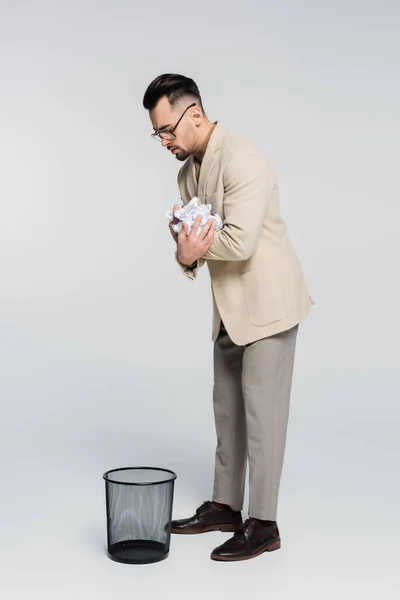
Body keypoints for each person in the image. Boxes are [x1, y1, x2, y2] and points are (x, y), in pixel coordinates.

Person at [142, 74, 315, 562]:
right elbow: (195, 244)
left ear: (194, 113)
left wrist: (188, 248)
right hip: (229, 308)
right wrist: (185, 251)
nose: (165, 141)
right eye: (157, 134)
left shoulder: (245, 158)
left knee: (264, 415)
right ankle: (224, 505)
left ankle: (264, 524)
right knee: (228, 411)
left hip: (268, 305)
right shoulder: (186, 173)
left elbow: (238, 241)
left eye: (168, 129)